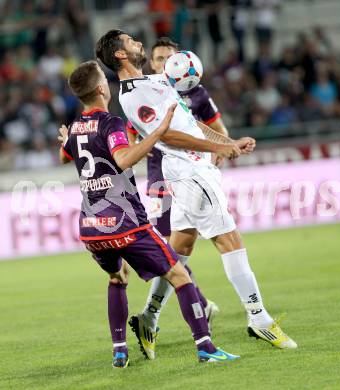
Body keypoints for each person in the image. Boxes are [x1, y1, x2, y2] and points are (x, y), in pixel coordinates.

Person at [95, 30, 297, 360]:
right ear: (119, 54)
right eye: (131, 42)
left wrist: (224, 142)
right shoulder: (132, 96)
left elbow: (189, 123)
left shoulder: (155, 82)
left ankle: (148, 318)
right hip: (190, 173)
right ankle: (259, 318)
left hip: (193, 171)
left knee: (180, 248)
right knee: (229, 240)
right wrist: (221, 145)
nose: (138, 44)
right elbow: (172, 137)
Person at [58, 60, 240, 367]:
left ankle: (119, 349)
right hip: (124, 223)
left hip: (91, 226)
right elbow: (124, 158)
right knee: (179, 275)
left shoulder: (76, 126)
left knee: (118, 277)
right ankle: (206, 347)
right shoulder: (111, 123)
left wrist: (67, 142)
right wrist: (158, 133)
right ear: (102, 88)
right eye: (105, 78)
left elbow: (65, 156)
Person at [127, 37, 228, 344]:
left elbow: (221, 134)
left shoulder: (197, 94)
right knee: (170, 252)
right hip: (160, 184)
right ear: (153, 63)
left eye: (170, 57)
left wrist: (209, 166)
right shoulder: (148, 93)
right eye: (158, 58)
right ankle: (196, 303)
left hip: (190, 182)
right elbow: (133, 141)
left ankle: (173, 311)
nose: (164, 63)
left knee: (175, 251)